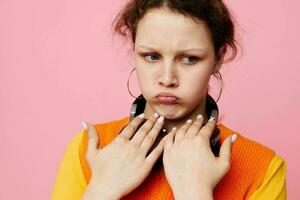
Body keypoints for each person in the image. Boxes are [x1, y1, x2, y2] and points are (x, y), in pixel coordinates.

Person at [50, 0, 287, 199]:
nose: (167, 78)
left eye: (189, 59)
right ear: (133, 52)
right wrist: (101, 190)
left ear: (218, 57)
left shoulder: (263, 168)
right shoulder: (89, 150)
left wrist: (195, 191)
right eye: (151, 56)